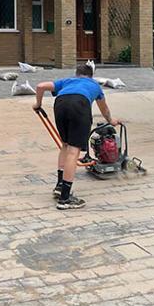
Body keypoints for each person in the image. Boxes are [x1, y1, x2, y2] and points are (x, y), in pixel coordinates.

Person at [33, 63, 119, 210]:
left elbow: (41, 86)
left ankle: (60, 185)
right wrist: (111, 121)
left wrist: (38, 104)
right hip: (79, 105)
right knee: (74, 151)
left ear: (76, 74)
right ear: (91, 75)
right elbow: (104, 108)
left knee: (65, 145)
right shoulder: (94, 85)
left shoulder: (67, 81)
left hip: (60, 104)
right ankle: (65, 199)